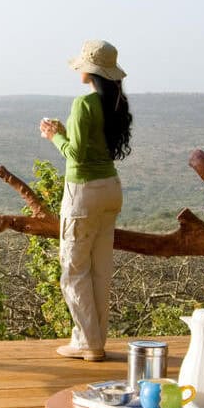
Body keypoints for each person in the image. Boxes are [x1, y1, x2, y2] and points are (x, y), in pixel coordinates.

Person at [39, 40, 132, 362]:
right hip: (111, 190)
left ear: (91, 71)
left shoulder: (84, 104)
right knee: (100, 270)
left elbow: (76, 155)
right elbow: (91, 148)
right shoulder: (115, 102)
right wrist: (65, 133)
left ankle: (88, 344)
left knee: (74, 269)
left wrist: (54, 136)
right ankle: (94, 339)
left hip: (84, 193)